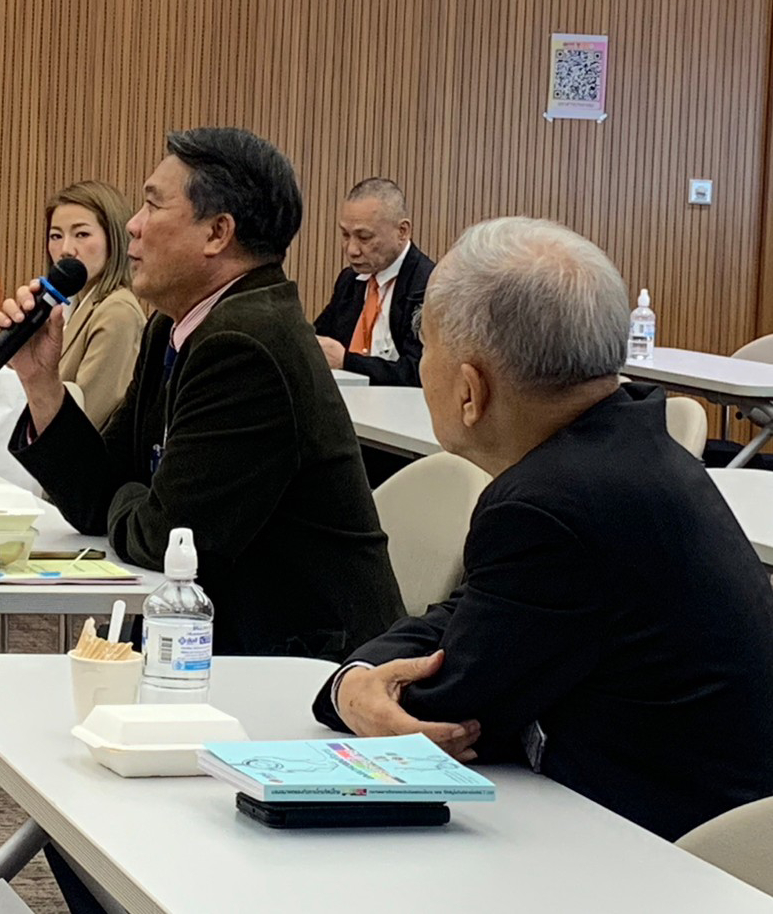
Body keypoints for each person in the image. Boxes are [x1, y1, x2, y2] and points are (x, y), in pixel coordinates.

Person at [311, 217, 773, 841]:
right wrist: (360, 679)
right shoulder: (629, 443)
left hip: (662, 851)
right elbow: (468, 615)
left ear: (470, 389)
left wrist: (351, 691)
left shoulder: (549, 505)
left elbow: (446, 717)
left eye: (429, 351)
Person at [1, 127, 405, 660]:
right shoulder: (173, 327)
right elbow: (101, 495)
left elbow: (167, 538)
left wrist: (135, 498)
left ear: (217, 232)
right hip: (220, 638)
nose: (133, 226)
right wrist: (41, 383)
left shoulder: (246, 343)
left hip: (304, 663)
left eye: (153, 205)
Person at [44, 181, 146, 430]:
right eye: (56, 236)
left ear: (114, 240)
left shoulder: (117, 312)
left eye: (82, 234)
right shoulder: (67, 307)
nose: (66, 250)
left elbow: (84, 421)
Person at [313, 178, 434, 387]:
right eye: (345, 235)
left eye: (364, 237)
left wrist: (347, 362)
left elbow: (419, 373)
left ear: (402, 231)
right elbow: (320, 339)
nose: (352, 250)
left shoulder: (429, 285)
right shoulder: (349, 281)